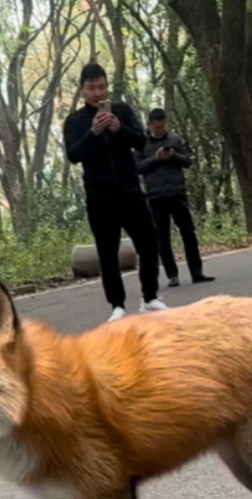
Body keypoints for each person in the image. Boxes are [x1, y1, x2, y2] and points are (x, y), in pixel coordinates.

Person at [63, 63, 164, 323]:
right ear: (82, 91)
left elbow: (142, 142)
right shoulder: (75, 121)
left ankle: (150, 297)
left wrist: (120, 129)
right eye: (92, 88)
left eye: (102, 87)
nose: (98, 93)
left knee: (149, 243)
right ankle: (117, 306)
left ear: (107, 87)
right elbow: (73, 155)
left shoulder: (122, 110)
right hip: (99, 196)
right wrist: (93, 132)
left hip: (129, 189)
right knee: (107, 253)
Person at [136, 108, 213, 287]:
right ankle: (172, 275)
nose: (160, 130)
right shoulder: (141, 144)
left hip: (177, 193)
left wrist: (173, 156)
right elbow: (138, 167)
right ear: (149, 125)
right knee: (163, 238)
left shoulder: (175, 139)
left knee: (189, 234)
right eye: (156, 127)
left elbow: (187, 161)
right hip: (156, 196)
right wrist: (156, 158)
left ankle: (197, 272)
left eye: (162, 127)